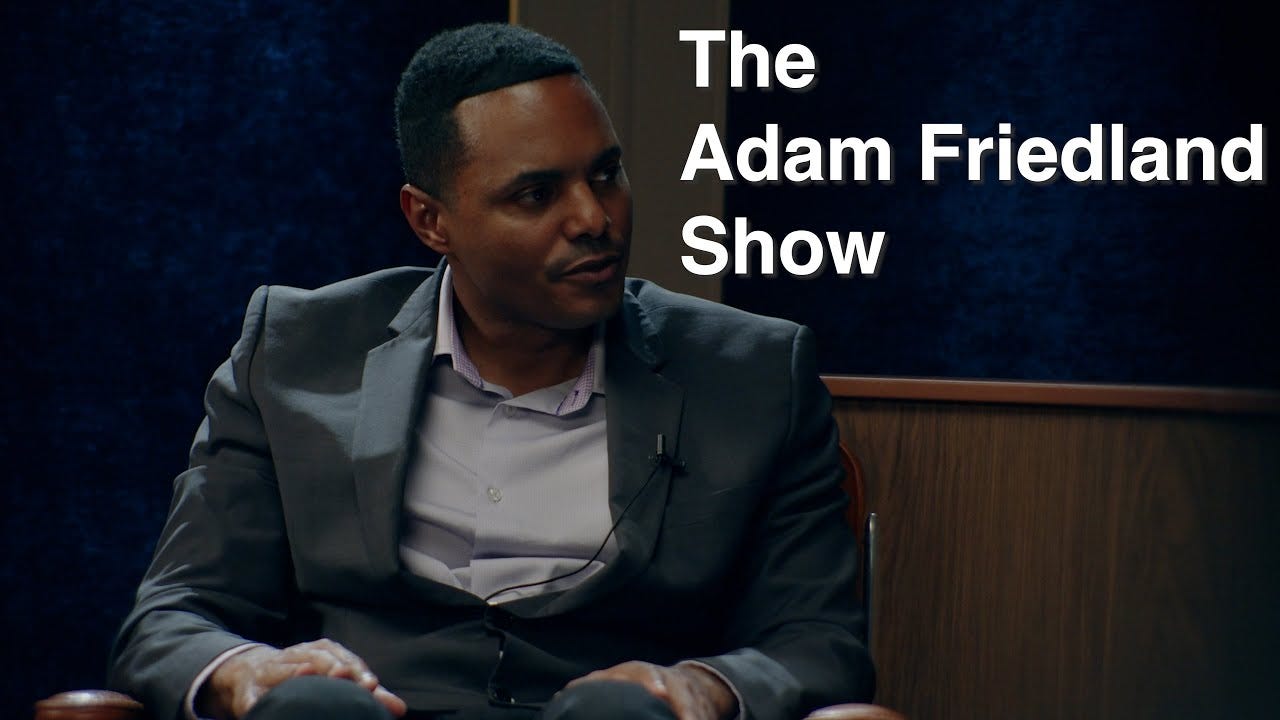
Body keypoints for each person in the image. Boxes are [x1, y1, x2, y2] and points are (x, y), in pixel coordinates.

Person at [108, 23, 873, 720]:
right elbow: (172, 617)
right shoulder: (295, 351)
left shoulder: (753, 373)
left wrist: (704, 686)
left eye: (606, 174)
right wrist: (246, 671)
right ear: (430, 219)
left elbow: (820, 642)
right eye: (537, 194)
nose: (594, 218)